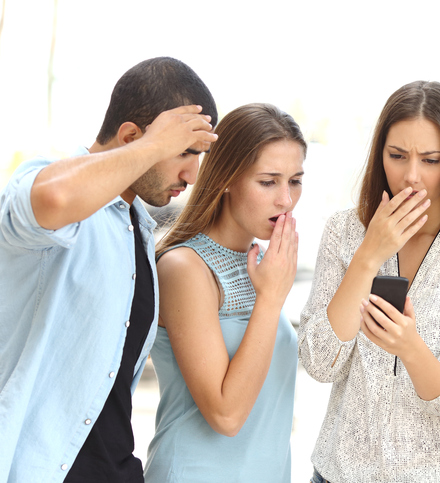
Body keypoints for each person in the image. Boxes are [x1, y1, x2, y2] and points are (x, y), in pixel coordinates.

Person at [0, 57, 217, 483]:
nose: (193, 174)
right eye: (185, 152)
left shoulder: (136, 227)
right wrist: (153, 147)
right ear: (132, 136)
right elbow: (54, 199)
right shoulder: (47, 181)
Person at [298, 80, 440, 482]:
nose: (411, 176)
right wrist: (368, 256)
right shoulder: (345, 232)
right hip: (341, 472)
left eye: (431, 160)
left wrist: (410, 348)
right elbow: (318, 362)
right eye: (396, 156)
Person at [143, 103, 305, 483]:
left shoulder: (263, 265)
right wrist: (270, 298)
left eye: (295, 180)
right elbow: (226, 415)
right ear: (227, 178)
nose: (286, 199)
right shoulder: (184, 267)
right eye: (268, 181)